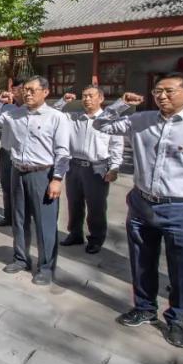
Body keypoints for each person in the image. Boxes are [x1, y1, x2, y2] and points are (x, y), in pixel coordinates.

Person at [93, 72, 183, 349]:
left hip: (182, 208)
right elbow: (101, 124)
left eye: (169, 91)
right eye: (157, 91)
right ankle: (144, 307)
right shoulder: (141, 120)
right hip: (142, 203)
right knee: (142, 261)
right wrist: (121, 104)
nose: (162, 96)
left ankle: (177, 319)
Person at [0, 76, 71, 286]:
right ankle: (21, 258)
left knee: (44, 223)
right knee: (19, 218)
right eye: (25, 89)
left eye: (32, 90)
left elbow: (63, 152)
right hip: (18, 171)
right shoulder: (15, 114)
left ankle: (46, 267)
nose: (27, 93)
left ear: (45, 92)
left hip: (43, 174)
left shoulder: (56, 117)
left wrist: (57, 179)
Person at [53, 86, 124, 254]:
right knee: (74, 203)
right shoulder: (73, 118)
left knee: (96, 206)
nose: (87, 99)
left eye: (91, 96)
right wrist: (63, 101)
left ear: (101, 98)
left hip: (96, 168)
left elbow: (116, 146)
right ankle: (75, 234)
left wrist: (114, 168)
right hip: (74, 166)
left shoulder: (110, 120)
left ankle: (96, 239)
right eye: (84, 96)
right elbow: (52, 114)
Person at [0, 79, 24, 227]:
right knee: (7, 187)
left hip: (23, 155)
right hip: (7, 152)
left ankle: (22, 218)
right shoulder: (8, 109)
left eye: (19, 88)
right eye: (13, 88)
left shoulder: (31, 110)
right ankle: (9, 217)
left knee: (22, 189)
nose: (15, 91)